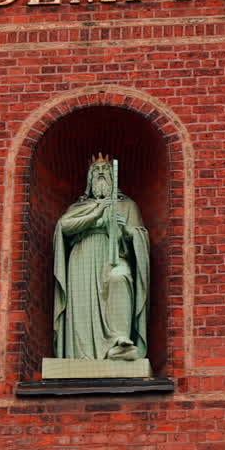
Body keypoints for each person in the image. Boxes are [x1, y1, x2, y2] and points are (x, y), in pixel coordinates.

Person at [53, 154, 149, 361]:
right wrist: (96, 215)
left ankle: (121, 341)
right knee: (82, 303)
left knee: (120, 277)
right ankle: (81, 355)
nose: (101, 174)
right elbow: (64, 226)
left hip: (113, 254)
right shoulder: (78, 207)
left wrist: (126, 230)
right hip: (83, 256)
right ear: (89, 180)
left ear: (113, 179)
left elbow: (139, 235)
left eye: (106, 171)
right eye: (96, 172)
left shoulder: (127, 205)